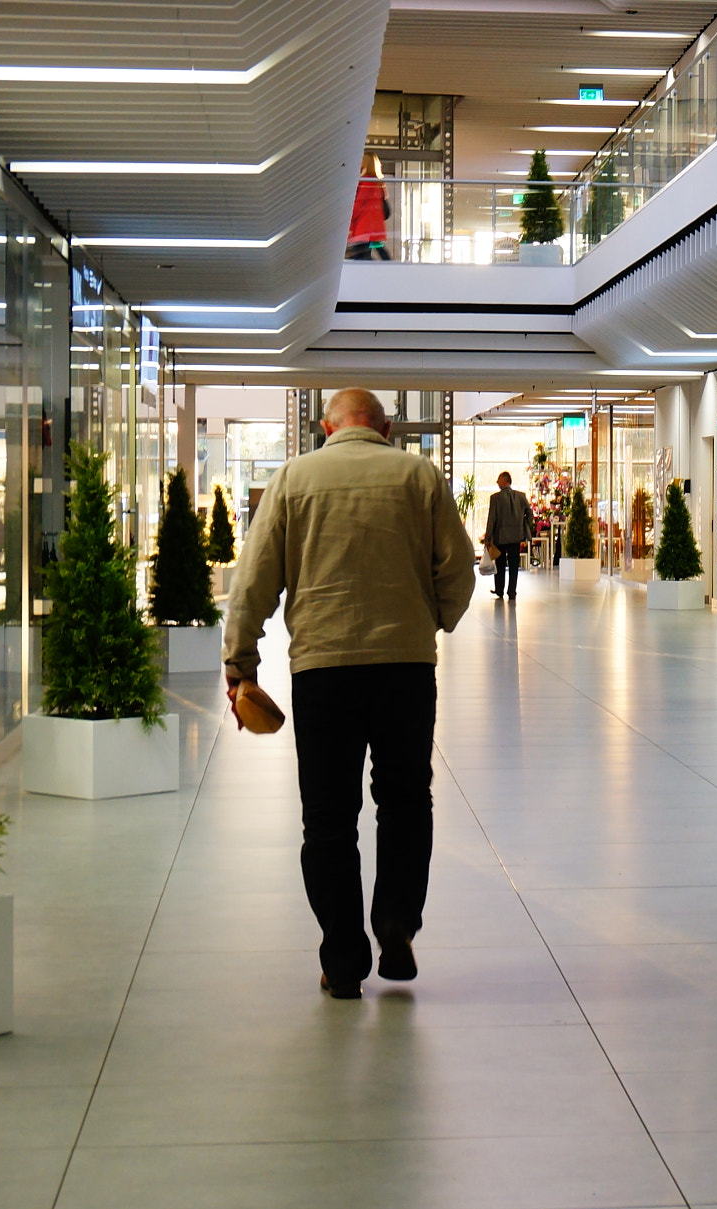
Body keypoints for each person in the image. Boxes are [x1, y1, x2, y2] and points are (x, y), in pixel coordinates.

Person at [222, 388, 474, 999]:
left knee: (329, 816)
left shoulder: (293, 479)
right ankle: (395, 924)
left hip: (322, 669)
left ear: (324, 426)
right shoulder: (420, 477)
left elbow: (253, 581)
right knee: (406, 799)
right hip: (405, 668)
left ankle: (342, 959)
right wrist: (431, 618)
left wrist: (241, 664)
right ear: (385, 428)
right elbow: (460, 569)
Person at [483, 470, 533, 601]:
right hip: (516, 536)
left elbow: (491, 519)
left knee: (500, 564)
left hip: (500, 537)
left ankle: (499, 590)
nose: (497, 482)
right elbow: (530, 513)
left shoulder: (495, 498)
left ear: (505, 481)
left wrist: (488, 537)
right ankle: (512, 591)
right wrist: (525, 525)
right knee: (514, 565)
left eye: (499, 480)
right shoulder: (521, 496)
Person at [346, 152, 391, 260]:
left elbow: (359, 203)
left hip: (364, 226)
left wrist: (349, 218)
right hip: (374, 227)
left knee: (360, 253)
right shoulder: (378, 182)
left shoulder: (367, 181)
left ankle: (382, 267)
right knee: (375, 248)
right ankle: (389, 267)